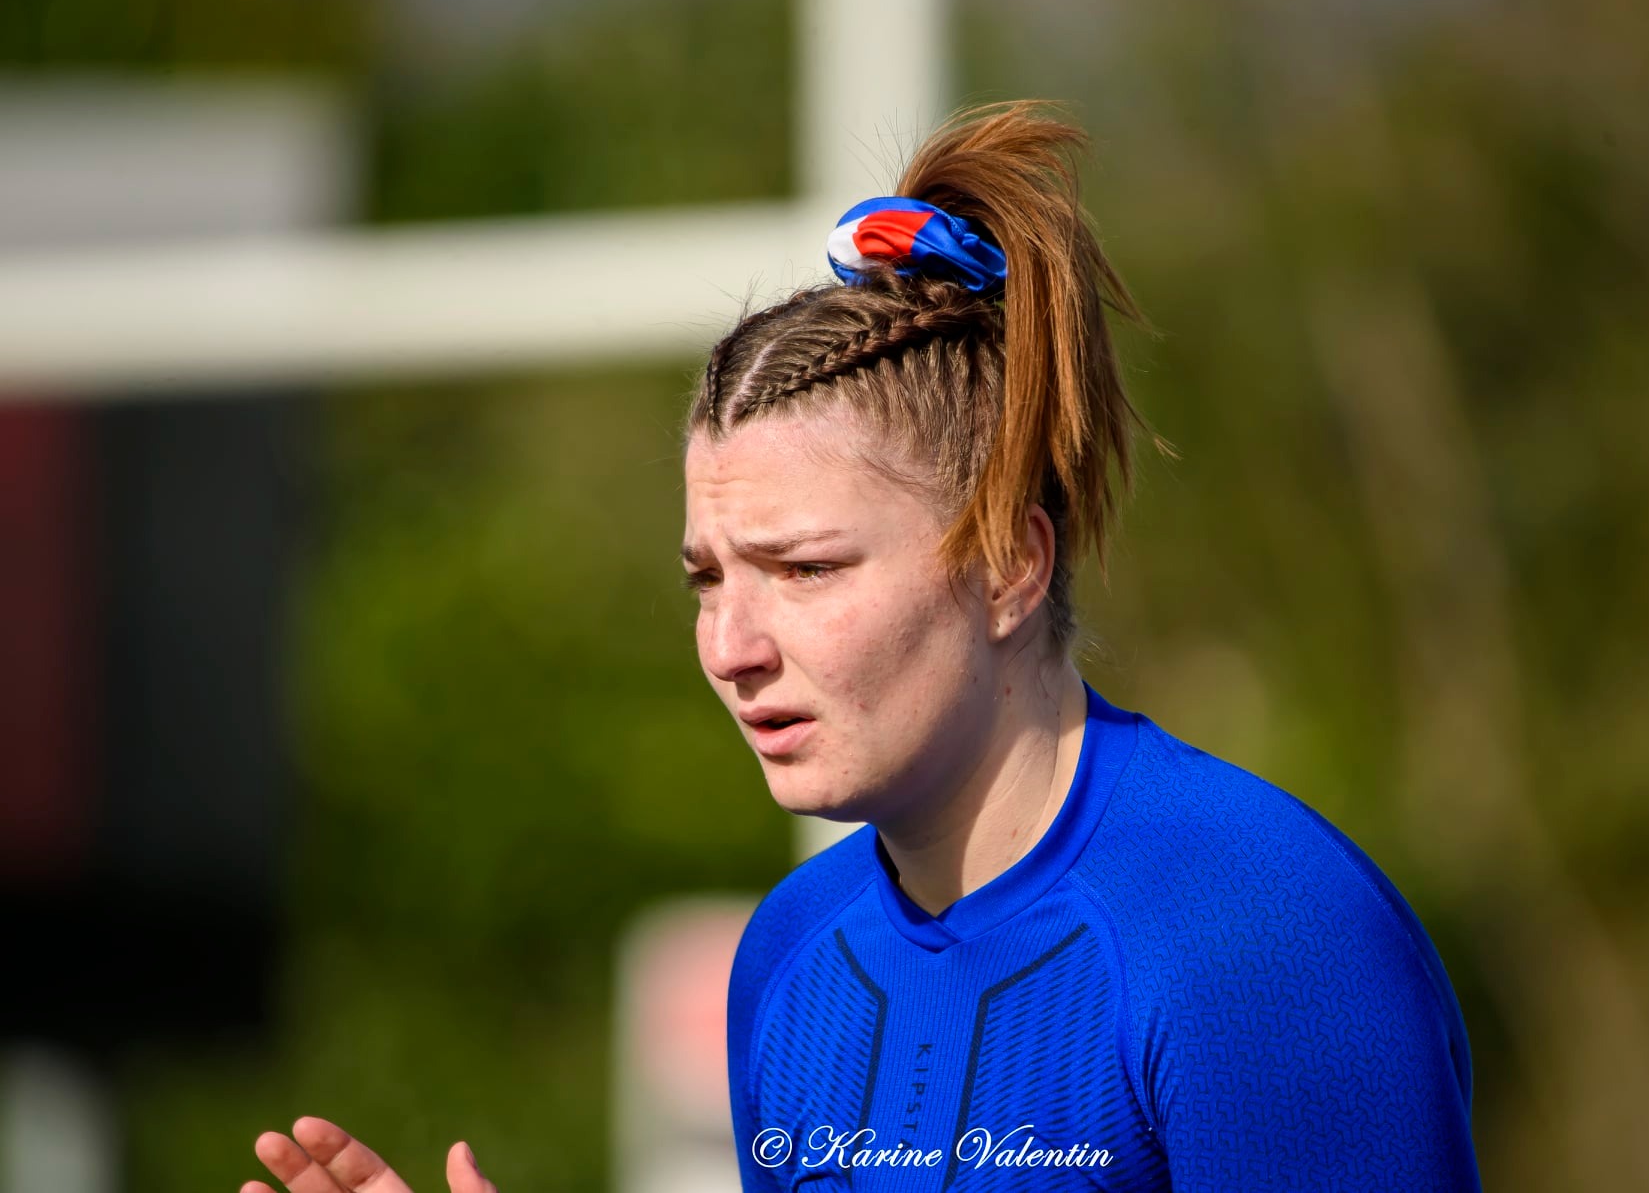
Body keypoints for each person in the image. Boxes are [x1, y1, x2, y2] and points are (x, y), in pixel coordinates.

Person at [243, 101, 1480, 1193]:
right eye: (707, 580)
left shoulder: (1260, 936)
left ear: (1011, 564)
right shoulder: (790, 962)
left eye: (806, 570)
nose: (732, 645)